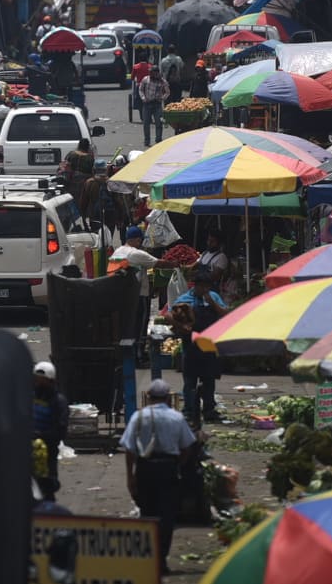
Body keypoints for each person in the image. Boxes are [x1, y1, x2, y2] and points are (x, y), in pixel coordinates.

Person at [120, 379, 198, 575]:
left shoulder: (138, 417)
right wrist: (177, 464)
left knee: (147, 514)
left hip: (145, 469)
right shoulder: (176, 418)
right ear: (168, 398)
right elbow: (188, 446)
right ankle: (161, 560)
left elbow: (129, 449)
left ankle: (147, 558)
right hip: (168, 469)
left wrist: (130, 476)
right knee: (167, 517)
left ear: (148, 397)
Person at [109, 226, 178, 361]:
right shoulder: (136, 254)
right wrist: (175, 263)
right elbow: (159, 263)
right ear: (136, 240)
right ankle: (138, 354)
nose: (140, 243)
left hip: (120, 295)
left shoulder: (118, 251)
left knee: (128, 324)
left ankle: (128, 353)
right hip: (138, 295)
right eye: (140, 240)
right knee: (140, 325)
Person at [171, 271, 229, 427]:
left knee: (209, 380)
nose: (204, 290)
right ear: (195, 285)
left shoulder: (214, 297)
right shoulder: (185, 299)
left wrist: (212, 303)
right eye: (201, 286)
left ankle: (209, 410)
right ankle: (189, 411)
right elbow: (169, 314)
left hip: (210, 344)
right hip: (191, 346)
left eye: (207, 287)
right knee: (190, 381)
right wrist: (182, 325)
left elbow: (225, 314)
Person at [31, 361, 71, 502]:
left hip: (47, 450)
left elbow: (60, 430)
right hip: (29, 449)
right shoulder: (31, 396)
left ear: (49, 380)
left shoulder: (58, 401)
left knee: (47, 485)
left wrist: (41, 436)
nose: (37, 382)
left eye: (41, 379)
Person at [137, 66, 170, 147]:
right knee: (146, 123)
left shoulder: (162, 81)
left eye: (153, 72)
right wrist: (143, 98)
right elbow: (140, 89)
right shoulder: (145, 79)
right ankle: (147, 141)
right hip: (147, 103)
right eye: (150, 72)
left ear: (157, 73)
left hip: (157, 104)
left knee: (159, 123)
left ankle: (158, 139)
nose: (151, 74)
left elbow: (167, 92)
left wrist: (162, 98)